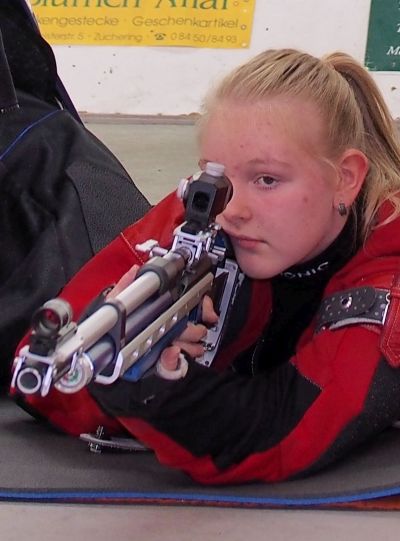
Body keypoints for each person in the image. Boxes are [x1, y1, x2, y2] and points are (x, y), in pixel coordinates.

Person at [12, 48, 400, 484]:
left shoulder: (389, 260)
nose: (232, 209)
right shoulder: (203, 218)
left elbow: (282, 433)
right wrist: (130, 343)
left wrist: (157, 386)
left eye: (267, 180)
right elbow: (39, 377)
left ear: (346, 178)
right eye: (217, 177)